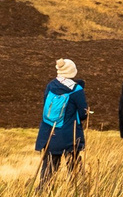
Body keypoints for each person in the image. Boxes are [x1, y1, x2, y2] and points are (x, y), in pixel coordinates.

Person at [36, 58, 89, 188]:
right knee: (74, 168)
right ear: (72, 71)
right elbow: (83, 113)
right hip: (68, 135)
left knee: (48, 169)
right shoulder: (76, 90)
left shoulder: (50, 85)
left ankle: (42, 194)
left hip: (49, 132)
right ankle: (77, 194)